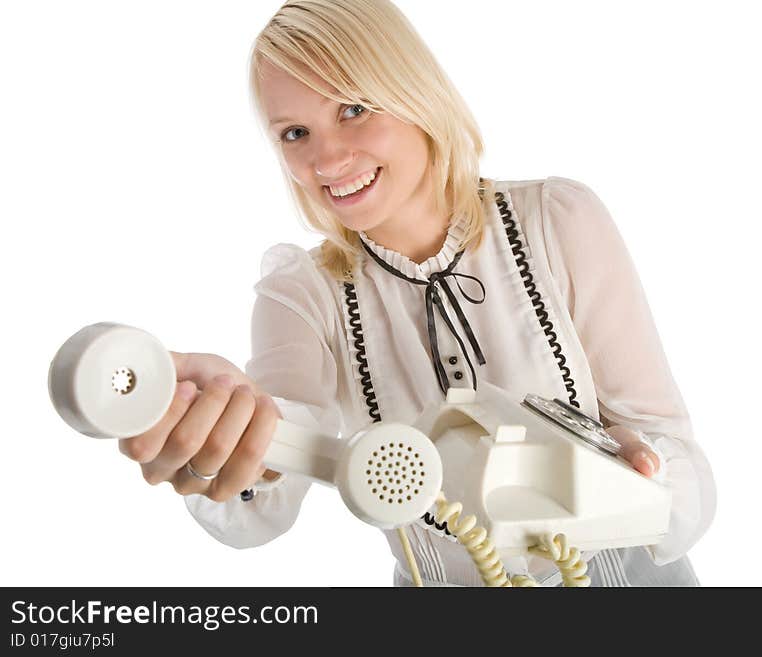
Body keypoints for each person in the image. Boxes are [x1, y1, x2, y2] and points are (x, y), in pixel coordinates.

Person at [118, 0, 716, 586]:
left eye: (353, 109)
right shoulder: (300, 295)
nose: (326, 159)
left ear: (411, 91)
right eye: (296, 132)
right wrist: (230, 427)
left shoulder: (557, 220)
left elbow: (678, 462)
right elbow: (264, 495)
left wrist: (645, 472)